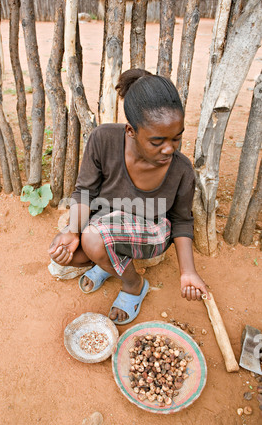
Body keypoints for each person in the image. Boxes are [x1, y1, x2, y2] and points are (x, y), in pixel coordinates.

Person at [48, 68, 209, 325]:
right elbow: (85, 191)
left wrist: (188, 271)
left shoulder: (181, 169)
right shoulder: (104, 139)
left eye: (176, 138)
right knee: (70, 252)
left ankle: (134, 285)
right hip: (106, 221)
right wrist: (71, 231)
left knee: (91, 239)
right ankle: (105, 259)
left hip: (151, 230)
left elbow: (181, 221)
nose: (169, 149)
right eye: (157, 142)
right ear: (131, 131)